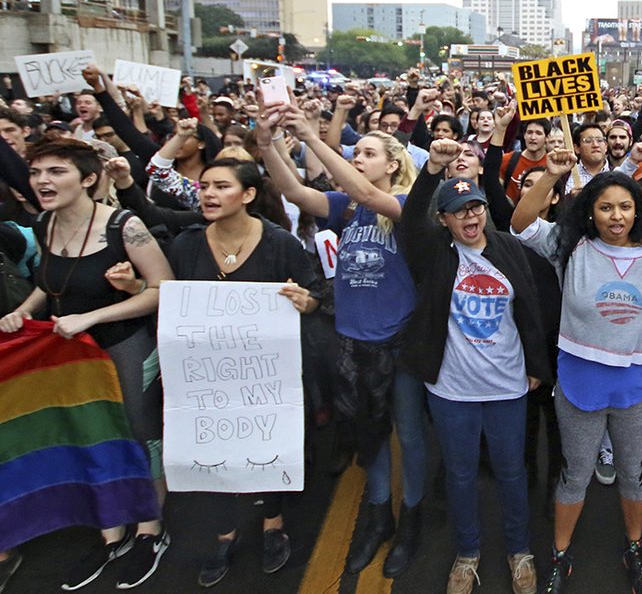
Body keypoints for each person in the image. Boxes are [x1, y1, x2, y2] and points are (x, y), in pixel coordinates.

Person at [257, 104, 426, 579]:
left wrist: (312, 136)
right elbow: (292, 190)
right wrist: (267, 140)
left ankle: (412, 518)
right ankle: (378, 518)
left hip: (399, 345)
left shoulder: (409, 205)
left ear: (392, 164)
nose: (357, 158)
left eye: (367, 153)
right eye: (355, 152)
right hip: (354, 345)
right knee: (369, 438)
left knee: (409, 435)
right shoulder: (344, 206)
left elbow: (369, 192)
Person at [1, 139, 173, 590]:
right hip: (72, 357)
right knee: (89, 435)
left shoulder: (123, 226)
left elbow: (162, 289)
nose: (42, 181)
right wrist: (27, 310)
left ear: (89, 179)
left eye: (56, 171)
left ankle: (150, 530)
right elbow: (51, 283)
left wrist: (93, 316)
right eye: (37, 172)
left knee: (139, 435)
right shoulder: (43, 223)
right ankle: (111, 531)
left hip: (124, 345)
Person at [510, 157, 642, 594]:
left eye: (624, 206)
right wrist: (550, 174)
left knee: (632, 472)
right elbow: (521, 222)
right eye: (604, 207)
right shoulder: (570, 246)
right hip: (581, 380)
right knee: (576, 472)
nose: (615, 216)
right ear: (590, 212)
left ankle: (634, 546)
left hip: (638, 382)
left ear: (638, 209)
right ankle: (560, 555)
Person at [399, 139, 552, 594]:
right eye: (459, 210)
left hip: (507, 386)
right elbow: (409, 223)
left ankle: (519, 550)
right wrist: (432, 172)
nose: (470, 217)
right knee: (461, 474)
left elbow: (530, 308)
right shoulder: (435, 253)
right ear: (444, 219)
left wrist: (535, 366)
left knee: (512, 472)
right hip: (451, 391)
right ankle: (467, 553)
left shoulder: (508, 249)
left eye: (477, 207)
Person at [167, 159, 320, 586]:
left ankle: (273, 523)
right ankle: (224, 532)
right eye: (204, 187)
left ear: (248, 194)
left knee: (264, 444)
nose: (208, 195)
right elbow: (172, 301)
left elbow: (315, 298)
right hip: (206, 376)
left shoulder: (280, 243)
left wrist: (304, 302)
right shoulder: (186, 244)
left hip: (266, 375)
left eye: (221, 186)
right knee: (214, 448)